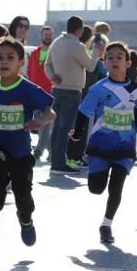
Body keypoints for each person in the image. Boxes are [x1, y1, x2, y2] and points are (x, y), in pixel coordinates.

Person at [0, 37, 54, 247]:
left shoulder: (27, 89)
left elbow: (51, 113)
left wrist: (39, 121)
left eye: (10, 58)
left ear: (20, 63)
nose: (4, 62)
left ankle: (26, 220)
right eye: (0, 57)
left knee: (22, 191)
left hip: (20, 151)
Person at [71, 42, 137, 244]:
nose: (115, 60)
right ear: (104, 63)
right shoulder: (98, 89)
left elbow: (136, 116)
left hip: (125, 146)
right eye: (110, 57)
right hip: (101, 146)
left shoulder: (136, 90)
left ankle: (106, 225)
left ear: (128, 63)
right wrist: (77, 134)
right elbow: (83, 112)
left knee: (117, 185)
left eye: (120, 57)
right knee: (96, 188)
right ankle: (97, 185)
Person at [45, 15, 103, 174]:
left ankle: (55, 160)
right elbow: (91, 66)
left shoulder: (56, 42)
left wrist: (52, 76)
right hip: (72, 91)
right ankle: (58, 164)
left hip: (56, 89)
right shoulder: (77, 45)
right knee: (65, 129)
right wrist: (96, 52)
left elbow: (47, 64)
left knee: (56, 128)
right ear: (80, 29)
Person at [27, 25, 55, 161]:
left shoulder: (55, 52)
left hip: (51, 93)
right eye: (45, 34)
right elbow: (29, 73)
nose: (48, 36)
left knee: (46, 123)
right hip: (35, 93)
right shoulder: (33, 53)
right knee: (40, 126)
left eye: (50, 34)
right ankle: (52, 152)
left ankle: (38, 151)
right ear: (41, 36)